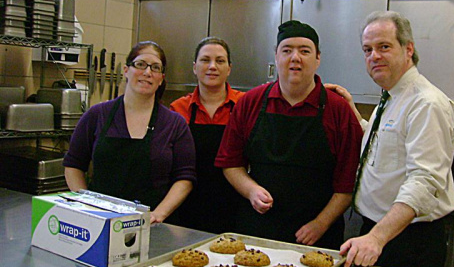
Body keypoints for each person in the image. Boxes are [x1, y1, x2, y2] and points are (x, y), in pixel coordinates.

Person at [215, 20, 363, 249]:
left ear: (317, 59)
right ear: (276, 56)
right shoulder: (250, 102)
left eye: (305, 51)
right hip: (257, 232)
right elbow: (230, 163)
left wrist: (320, 224)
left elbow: (346, 185)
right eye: (287, 50)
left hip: (317, 238)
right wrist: (251, 190)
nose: (295, 57)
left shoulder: (339, 110)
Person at [334, 11, 454, 267]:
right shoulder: (392, 95)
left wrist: (377, 238)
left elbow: (424, 181)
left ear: (408, 49)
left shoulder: (426, 103)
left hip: (407, 241)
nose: (374, 56)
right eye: (367, 50)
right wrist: (355, 116)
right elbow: (390, 144)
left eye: (384, 47)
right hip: (379, 232)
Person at [64, 41, 196, 224]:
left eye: (155, 68)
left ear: (161, 78)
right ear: (126, 70)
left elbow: (185, 178)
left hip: (154, 226)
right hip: (100, 221)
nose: (147, 72)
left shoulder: (175, 124)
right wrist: (86, 206)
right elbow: (73, 165)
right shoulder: (97, 115)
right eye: (140, 64)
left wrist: (159, 214)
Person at [170, 37, 245, 233]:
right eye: (205, 60)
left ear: (229, 68)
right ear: (195, 67)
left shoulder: (245, 105)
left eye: (220, 61)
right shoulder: (177, 109)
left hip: (236, 204)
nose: (212, 66)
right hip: (187, 204)